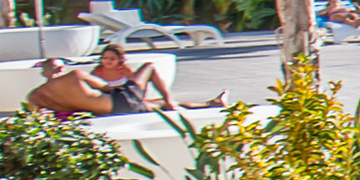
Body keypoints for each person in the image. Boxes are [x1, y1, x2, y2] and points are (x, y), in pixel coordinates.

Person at [28, 46, 225, 115]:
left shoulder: (35, 96)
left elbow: (36, 117)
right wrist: (129, 83)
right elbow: (107, 87)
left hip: (107, 112)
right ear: (61, 68)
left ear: (43, 73)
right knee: (149, 67)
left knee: (156, 105)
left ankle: (211, 103)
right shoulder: (75, 76)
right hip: (119, 101)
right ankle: (172, 102)